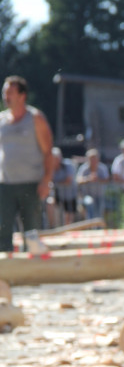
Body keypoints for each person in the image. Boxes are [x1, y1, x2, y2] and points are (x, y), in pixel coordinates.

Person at [0, 75, 54, 251]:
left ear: (22, 95)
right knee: (2, 232)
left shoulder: (35, 118)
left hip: (31, 185)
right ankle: (4, 276)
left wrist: (46, 180)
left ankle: (32, 276)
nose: (5, 96)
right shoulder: (1, 120)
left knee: (31, 235)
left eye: (10, 92)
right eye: (4, 92)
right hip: (5, 184)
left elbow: (48, 151)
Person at [76, 148, 110, 220]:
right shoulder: (84, 168)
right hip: (87, 195)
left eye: (95, 158)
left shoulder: (102, 168)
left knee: (99, 212)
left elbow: (107, 179)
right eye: (91, 158)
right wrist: (88, 179)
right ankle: (90, 225)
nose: (93, 160)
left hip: (100, 195)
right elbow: (78, 180)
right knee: (90, 205)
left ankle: (98, 228)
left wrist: (98, 179)